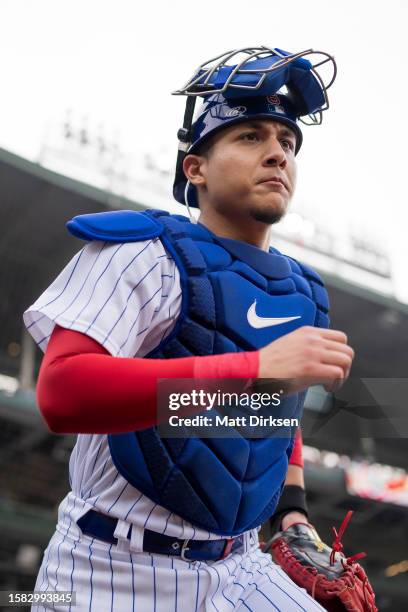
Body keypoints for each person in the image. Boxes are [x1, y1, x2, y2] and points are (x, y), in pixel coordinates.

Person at [24, 46, 354, 611]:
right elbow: (63, 393)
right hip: (109, 566)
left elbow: (278, 416)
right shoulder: (141, 250)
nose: (277, 154)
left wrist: (293, 511)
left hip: (242, 564)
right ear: (194, 168)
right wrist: (250, 370)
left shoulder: (304, 292)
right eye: (251, 136)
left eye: (287, 142)